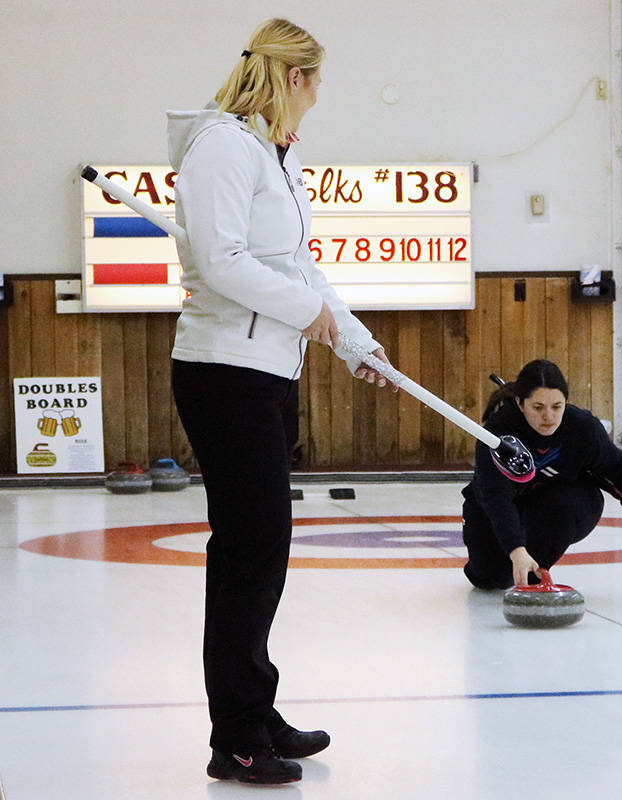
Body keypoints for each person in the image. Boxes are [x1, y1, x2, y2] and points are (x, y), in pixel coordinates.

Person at [167, 18, 397, 785]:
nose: (319, 97)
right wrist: (310, 316)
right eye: (318, 81)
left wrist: (355, 341)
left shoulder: (277, 156)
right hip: (223, 371)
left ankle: (253, 710)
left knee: (262, 551)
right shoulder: (222, 147)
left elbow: (303, 271)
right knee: (247, 550)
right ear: (294, 78)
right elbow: (220, 260)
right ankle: (235, 734)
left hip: (271, 370)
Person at [461, 359, 622, 589]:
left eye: (556, 406)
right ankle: (508, 561)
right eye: (538, 407)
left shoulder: (582, 428)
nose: (548, 417)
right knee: (491, 578)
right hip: (495, 508)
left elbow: (617, 469)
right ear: (520, 403)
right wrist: (516, 549)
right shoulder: (497, 433)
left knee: (573, 503)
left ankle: (539, 568)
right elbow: (495, 496)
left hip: (548, 506)